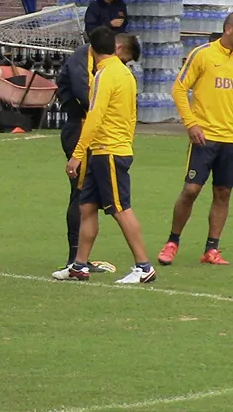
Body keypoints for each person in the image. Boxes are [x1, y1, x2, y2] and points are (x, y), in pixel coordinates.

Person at [53, 26, 156, 284]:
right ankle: (79, 265)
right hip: (110, 148)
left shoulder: (104, 74)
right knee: (86, 207)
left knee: (121, 209)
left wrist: (77, 154)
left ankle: (144, 267)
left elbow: (94, 115)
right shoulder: (126, 74)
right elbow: (132, 115)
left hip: (107, 151)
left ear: (91, 49)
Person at [157, 12, 233, 267]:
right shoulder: (202, 54)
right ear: (228, 30)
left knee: (223, 192)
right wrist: (191, 123)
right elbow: (179, 88)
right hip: (205, 137)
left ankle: (211, 249)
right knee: (191, 190)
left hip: (232, 138)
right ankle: (172, 242)